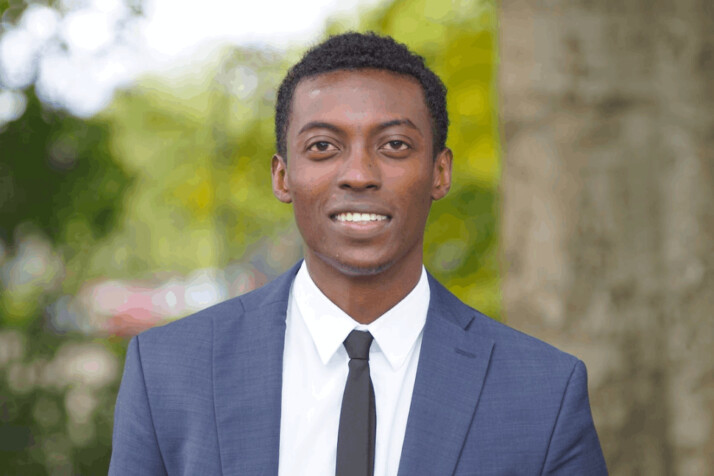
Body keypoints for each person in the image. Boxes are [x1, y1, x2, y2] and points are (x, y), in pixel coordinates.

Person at [109, 32, 607, 475]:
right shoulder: (169, 371)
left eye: (393, 145)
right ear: (282, 176)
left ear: (440, 172)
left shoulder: (543, 392)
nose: (359, 174)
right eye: (324, 146)